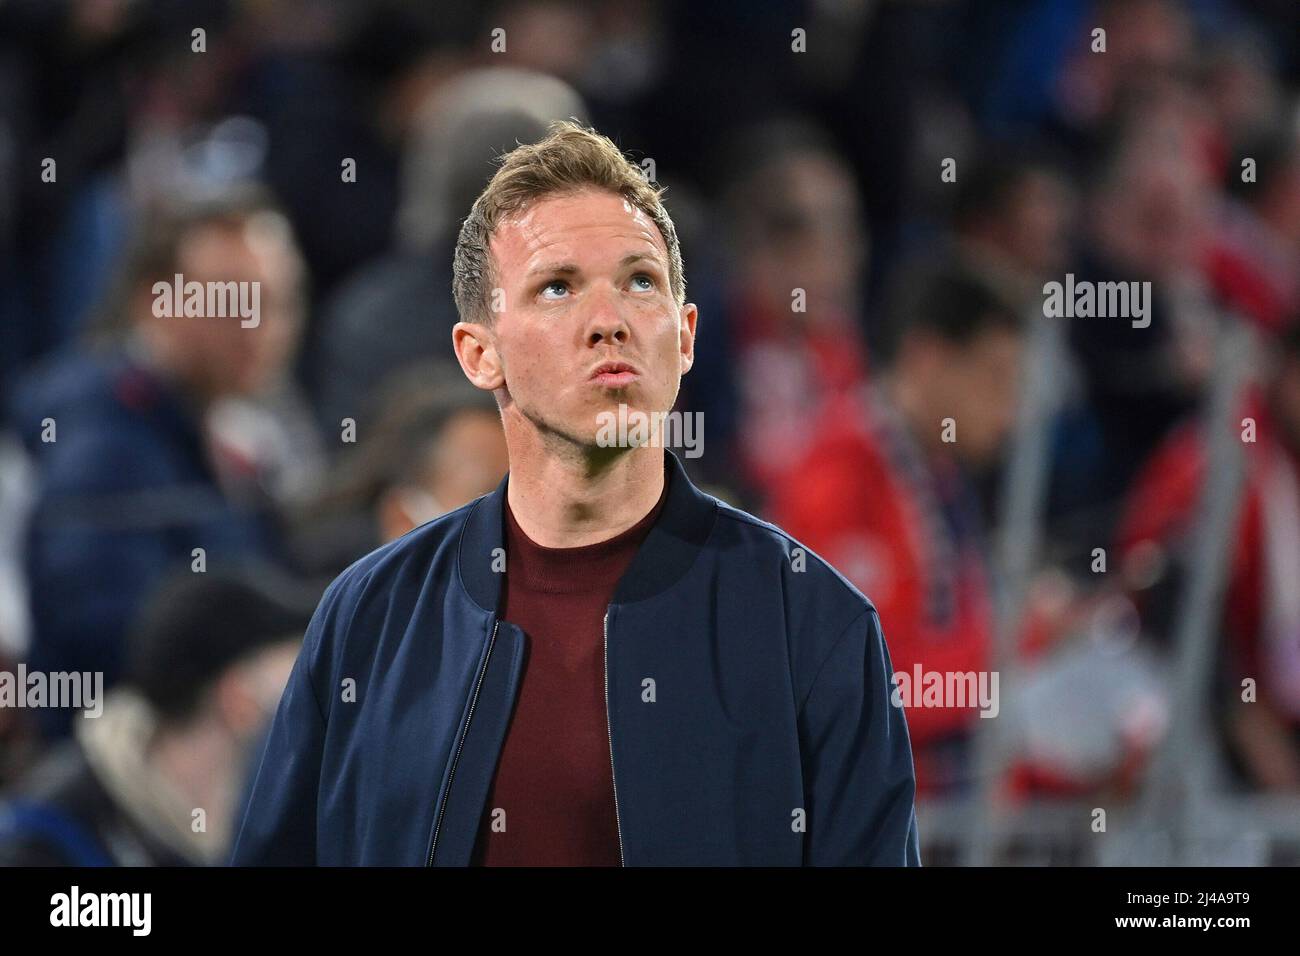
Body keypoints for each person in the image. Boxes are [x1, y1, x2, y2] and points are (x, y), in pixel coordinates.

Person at [232, 120, 919, 866]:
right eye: (557, 287)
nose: (609, 323)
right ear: (478, 353)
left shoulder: (813, 625)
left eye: (639, 283)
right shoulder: (369, 617)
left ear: (685, 338)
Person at [11, 190, 305, 738]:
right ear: (157, 301)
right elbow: (107, 635)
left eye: (277, 301)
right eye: (231, 299)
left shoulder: (240, 427)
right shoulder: (97, 437)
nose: (261, 326)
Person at [771, 269, 1026, 796]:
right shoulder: (841, 478)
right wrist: (1021, 644)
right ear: (927, 357)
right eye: (996, 378)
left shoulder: (940, 475)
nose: (1011, 411)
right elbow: (858, 697)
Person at [0, 568, 311, 866]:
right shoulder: (41, 840)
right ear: (238, 700)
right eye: (296, 677)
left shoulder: (259, 827)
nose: (311, 702)